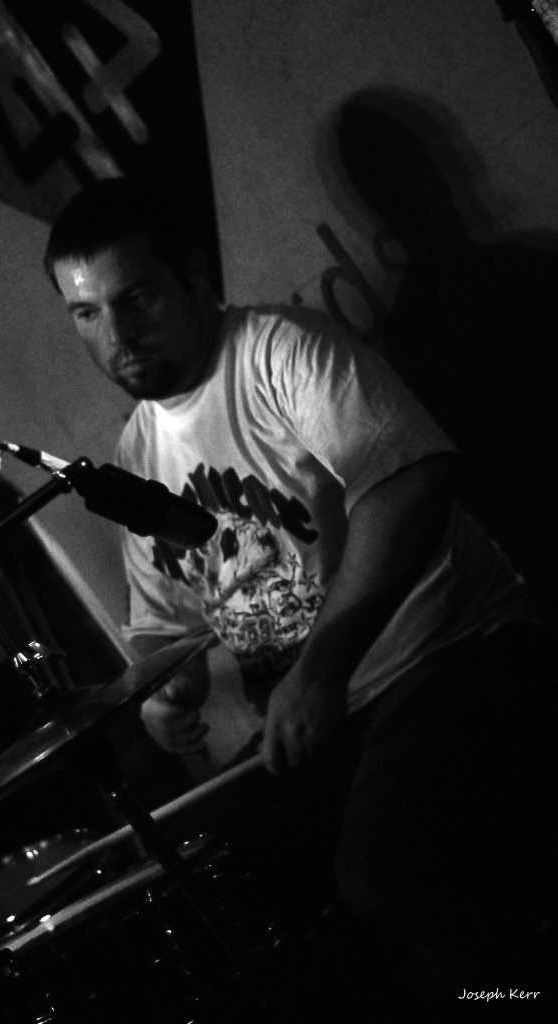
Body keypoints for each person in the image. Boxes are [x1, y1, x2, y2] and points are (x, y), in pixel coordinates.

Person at [43, 178, 555, 1011]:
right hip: (323, 723)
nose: (117, 334)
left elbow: (412, 480)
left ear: (193, 276)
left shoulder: (279, 351)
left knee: (386, 870)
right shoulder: (135, 454)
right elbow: (161, 628)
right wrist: (162, 692)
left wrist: (320, 669)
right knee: (227, 900)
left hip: (446, 658)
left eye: (136, 298)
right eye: (86, 312)